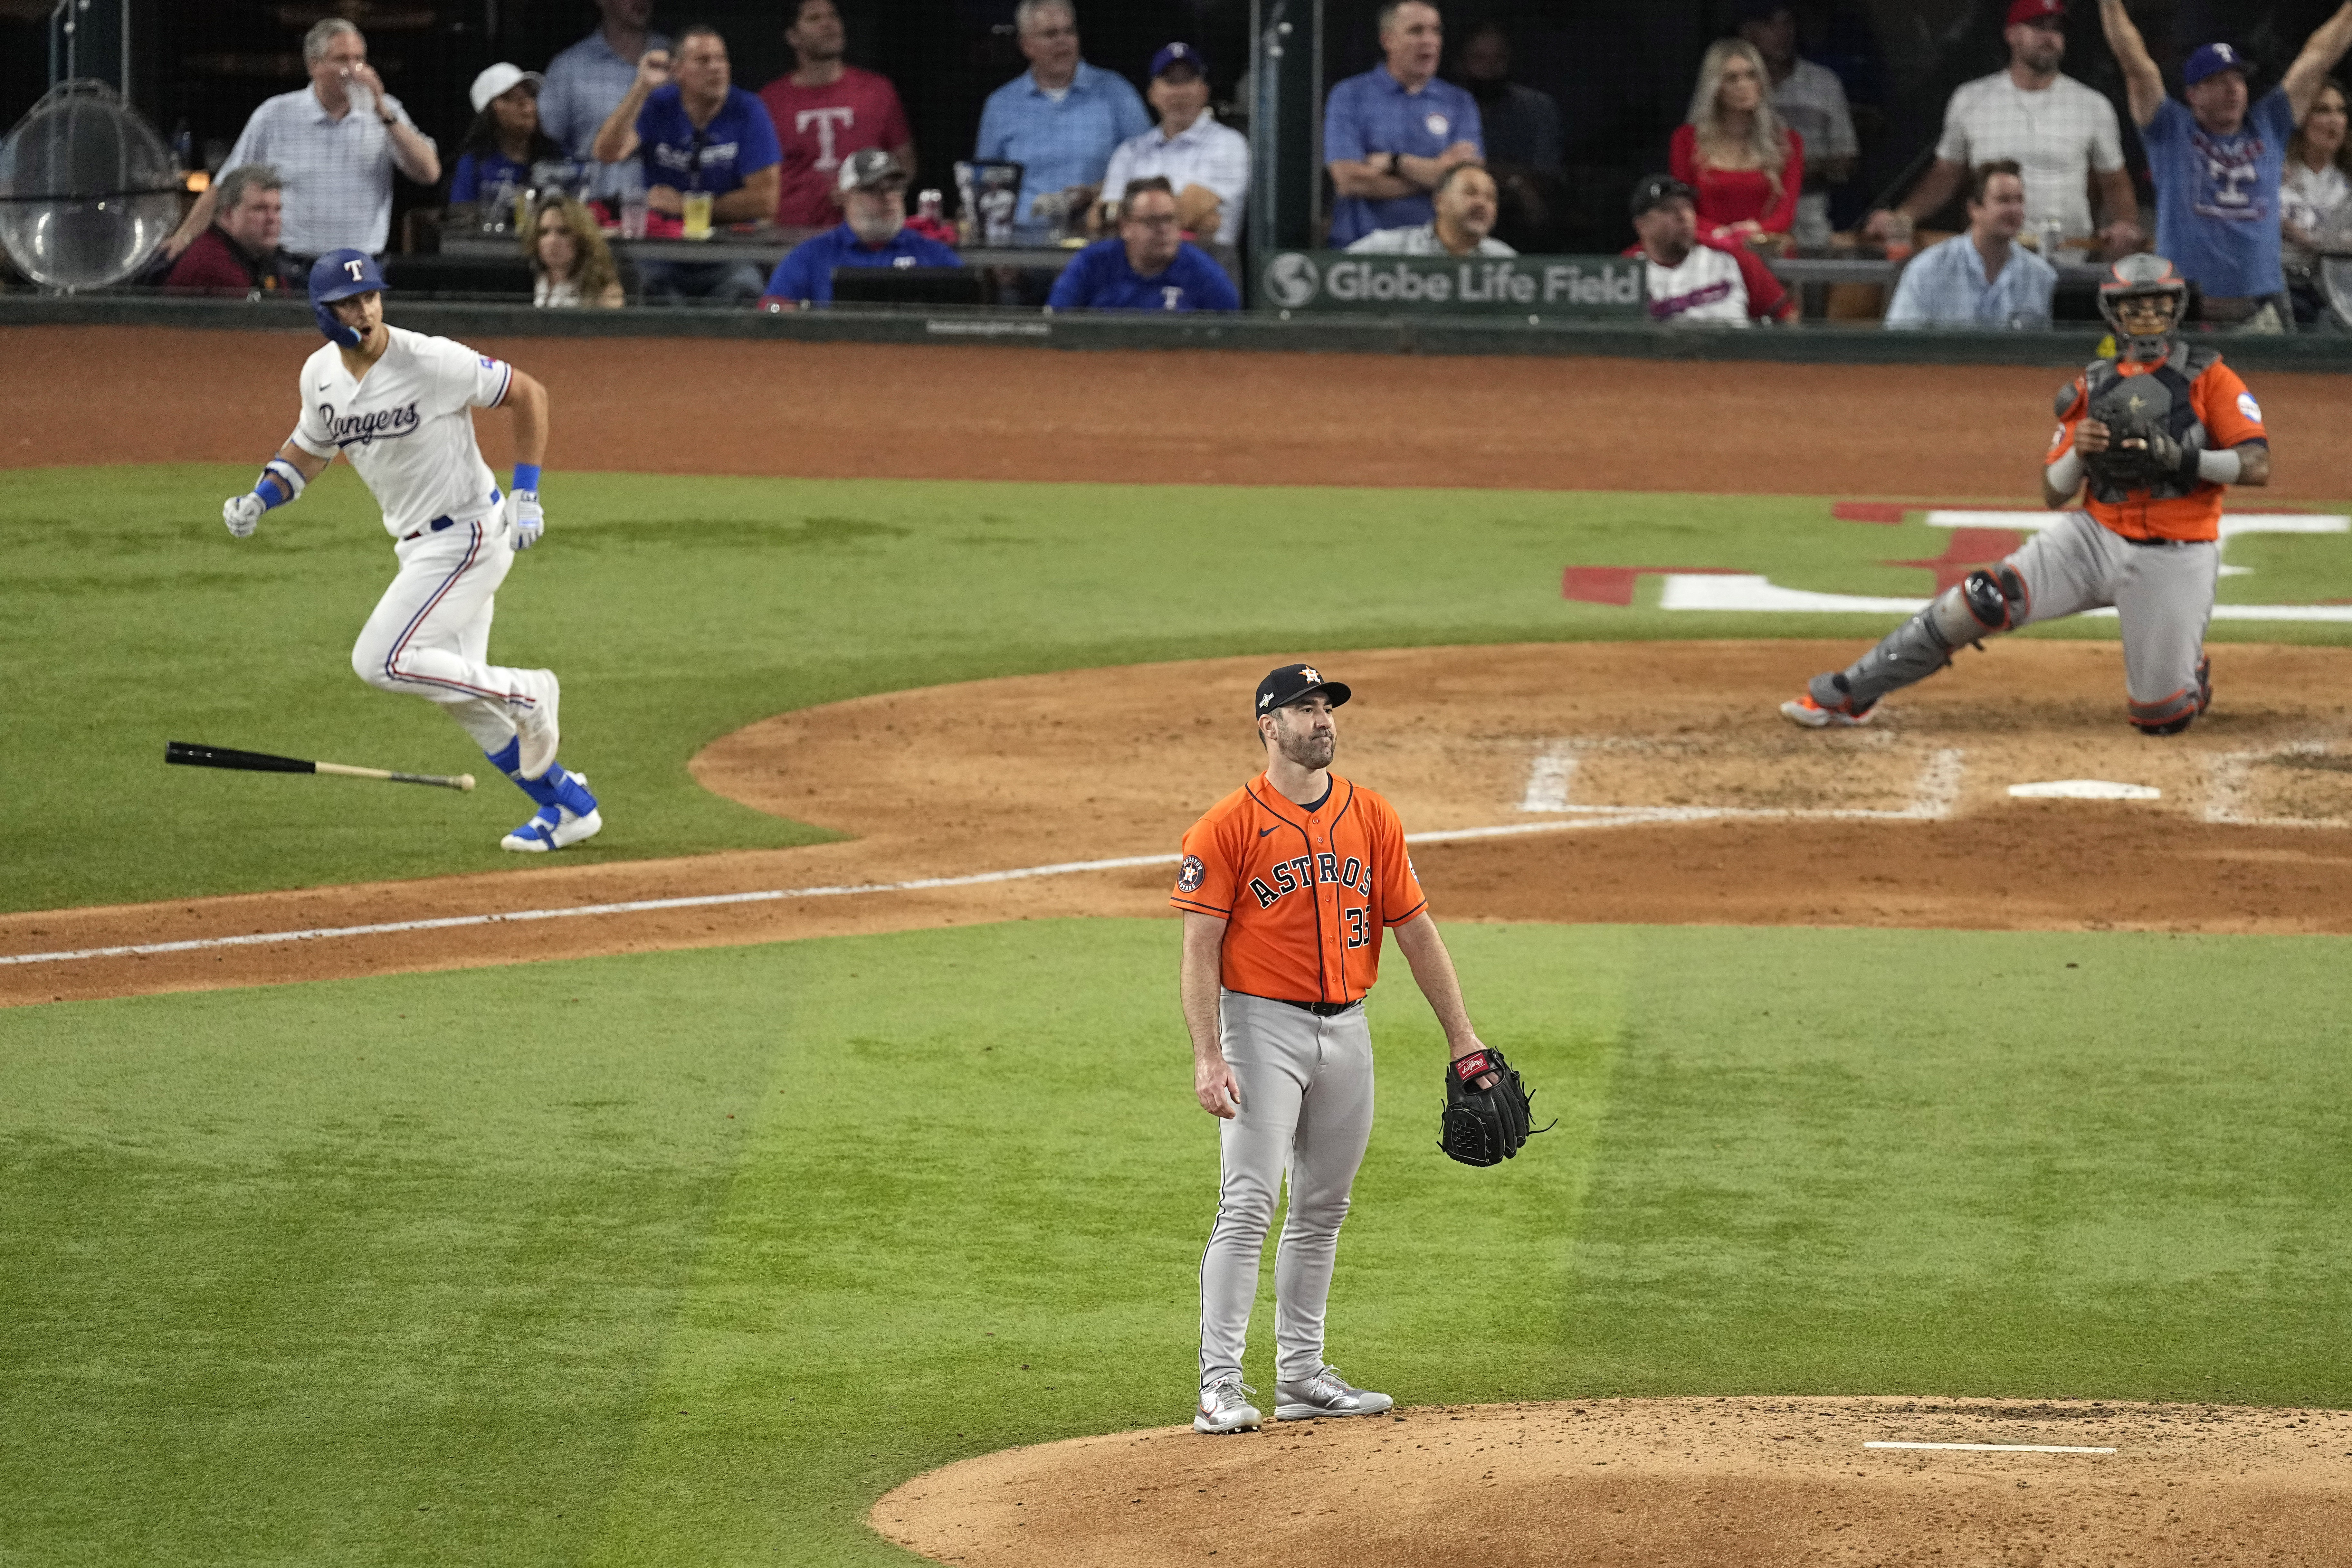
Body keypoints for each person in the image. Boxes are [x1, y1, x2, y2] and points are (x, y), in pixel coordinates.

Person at [1176, 663, 1501, 1435]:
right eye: (1303, 709)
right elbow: (1199, 950)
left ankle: (1300, 1376)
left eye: (1326, 707)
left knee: (1323, 1207)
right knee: (1249, 1201)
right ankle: (1219, 1384)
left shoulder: (1372, 816)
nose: (1321, 720)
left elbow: (1415, 928)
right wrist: (1208, 1054)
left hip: (1349, 1026)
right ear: (1268, 726)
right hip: (1259, 1027)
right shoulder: (1225, 826)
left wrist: (1463, 1037)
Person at [1781, 254, 2271, 736]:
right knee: (1980, 599)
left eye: (2157, 304)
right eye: (2134, 305)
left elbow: (2255, 464)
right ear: (2113, 313)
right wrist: (2077, 452)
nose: (2146, 315)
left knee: (2159, 719)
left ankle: (2188, 675)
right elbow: (2053, 494)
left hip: (2175, 553)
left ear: (2175, 308)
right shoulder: (2090, 386)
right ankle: (1850, 691)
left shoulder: (2211, 377)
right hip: (2092, 537)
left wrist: (2184, 460)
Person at [217, 252, 603, 854]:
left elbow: (529, 394)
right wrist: (261, 497)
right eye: (350, 303)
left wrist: (527, 492)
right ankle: (568, 806)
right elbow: (311, 447)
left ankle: (528, 693)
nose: (366, 310)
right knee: (458, 696)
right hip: (418, 547)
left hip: (470, 536)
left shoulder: (429, 359)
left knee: (380, 658)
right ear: (324, 314)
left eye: (371, 296)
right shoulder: (319, 375)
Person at [2101, 0, 2352, 328]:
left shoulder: (2270, 123)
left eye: (2238, 79)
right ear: (2193, 94)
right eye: (2218, 81)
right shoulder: (2169, 130)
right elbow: (2135, 64)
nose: (2233, 89)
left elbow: (2318, 57)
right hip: (2184, 311)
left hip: (2258, 310)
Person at [1868, 0, 2137, 261]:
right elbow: (1945, 175)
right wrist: (1903, 217)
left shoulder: (2091, 105)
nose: (2049, 37)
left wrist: (2125, 225)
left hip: (2066, 259)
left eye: (2056, 28)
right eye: (2038, 26)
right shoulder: (1971, 98)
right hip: (1991, 261)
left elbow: (2114, 181)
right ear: (2011, 34)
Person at [162, 20, 440, 266]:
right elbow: (226, 184)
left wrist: (382, 112)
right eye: (342, 59)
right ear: (314, 66)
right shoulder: (275, 114)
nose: (354, 70)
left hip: (359, 267)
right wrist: (185, 236)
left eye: (360, 59)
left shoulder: (387, 113)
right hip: (291, 265)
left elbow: (429, 173)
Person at [593, 26, 783, 301]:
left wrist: (686, 206)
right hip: (663, 251)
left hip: (729, 251)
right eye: (704, 61)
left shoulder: (748, 110)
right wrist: (641, 87)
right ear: (678, 70)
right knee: (645, 287)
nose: (716, 68)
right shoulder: (659, 105)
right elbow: (607, 153)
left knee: (746, 287)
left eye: (721, 59)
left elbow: (765, 202)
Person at [973, 1, 1152, 240]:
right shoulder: (1001, 105)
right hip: (1021, 245)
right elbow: (986, 186)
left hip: (1098, 239)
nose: (1063, 42)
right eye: (1051, 34)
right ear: (1027, 46)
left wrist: (1098, 191)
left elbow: (1149, 167)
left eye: (1069, 32)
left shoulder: (1116, 93)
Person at [1325, 2, 1483, 248]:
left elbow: (1467, 181)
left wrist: (1394, 163)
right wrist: (1435, 177)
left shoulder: (1459, 102)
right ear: (1388, 40)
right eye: (1416, 31)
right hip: (1360, 249)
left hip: (1439, 251)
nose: (1429, 40)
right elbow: (1349, 181)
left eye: (1435, 31)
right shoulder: (1349, 95)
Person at [758, 0, 916, 230]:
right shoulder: (770, 101)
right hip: (793, 237)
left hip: (865, 234)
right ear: (793, 37)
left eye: (833, 16)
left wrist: (870, 188)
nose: (828, 24)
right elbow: (759, 179)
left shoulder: (877, 91)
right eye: (814, 19)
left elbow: (905, 163)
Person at [760, 150, 960, 308]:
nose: (888, 197)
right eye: (873, 189)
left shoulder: (932, 253)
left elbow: (971, 311)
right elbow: (771, 307)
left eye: (895, 188)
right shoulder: (812, 255)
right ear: (845, 196)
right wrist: (787, 313)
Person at [1098, 43, 1250, 247]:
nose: (1180, 92)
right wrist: (1194, 222)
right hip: (1136, 267)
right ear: (1152, 94)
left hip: (1206, 264)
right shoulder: (1131, 151)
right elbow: (1103, 219)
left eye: (1188, 80)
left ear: (1205, 91)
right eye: (1170, 81)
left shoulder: (1230, 144)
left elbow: (1190, 211)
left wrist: (1128, 216)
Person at [1736, 0, 1857, 248]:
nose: (1783, 33)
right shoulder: (1730, 84)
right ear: (1747, 32)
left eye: (1787, 23)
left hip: (1811, 229)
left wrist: (1789, 170)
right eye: (1770, 25)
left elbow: (1847, 160)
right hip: (1745, 227)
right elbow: (1703, 149)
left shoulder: (1824, 83)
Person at [1884, 160, 2057, 328]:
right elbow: (1900, 347)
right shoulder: (1928, 270)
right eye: (2003, 200)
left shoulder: (2041, 276)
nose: (2014, 210)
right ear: (1974, 209)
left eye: (2019, 201)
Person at [1672, 38, 1803, 251]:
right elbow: (1682, 208)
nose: (1743, 86)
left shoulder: (1788, 143)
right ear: (1715, 87)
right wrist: (1720, 235)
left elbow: (1785, 214)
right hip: (1707, 249)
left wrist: (1754, 231)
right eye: (1731, 79)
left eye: (1751, 76)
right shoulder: (1686, 140)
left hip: (1765, 249)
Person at [539, 0, 670, 202]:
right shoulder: (569, 68)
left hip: (668, 212)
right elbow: (547, 148)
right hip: (591, 208)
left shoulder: (678, 60)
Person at [1622, 173, 1793, 325]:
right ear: (1642, 225)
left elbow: (1788, 317)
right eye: (1669, 210)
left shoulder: (1732, 258)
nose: (1684, 216)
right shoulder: (1625, 274)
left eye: (1688, 207)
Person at [1045, 177, 1239, 311]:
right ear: (1125, 227)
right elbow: (1055, 321)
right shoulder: (1093, 262)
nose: (1164, 229)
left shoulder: (1202, 271)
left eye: (1171, 220)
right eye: (1151, 221)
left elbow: (1233, 334)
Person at [164, 165, 297, 295]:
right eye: (260, 209)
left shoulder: (259, 258)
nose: (272, 219)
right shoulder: (214, 269)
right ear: (228, 215)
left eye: (277, 209)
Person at [447, 63, 561, 216]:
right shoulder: (473, 165)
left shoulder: (559, 157)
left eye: (529, 95)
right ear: (488, 114)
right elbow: (460, 223)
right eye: (509, 97)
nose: (526, 103)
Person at [2282, 77, 2352, 323]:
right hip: (2283, 291)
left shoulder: (2347, 181)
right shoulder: (2275, 174)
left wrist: (2312, 242)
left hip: (2340, 294)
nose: (2334, 120)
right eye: (2322, 110)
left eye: (2340, 111)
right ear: (2302, 120)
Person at [1344, 162, 1514, 255]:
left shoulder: (1505, 260)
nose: (1482, 203)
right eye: (1470, 192)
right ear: (1440, 202)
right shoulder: (1388, 250)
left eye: (1491, 198)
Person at [526, 194, 626, 307]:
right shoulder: (538, 281)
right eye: (544, 232)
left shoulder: (605, 291)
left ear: (582, 238)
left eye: (563, 232)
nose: (552, 241)